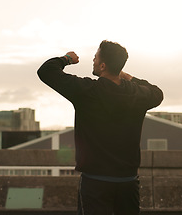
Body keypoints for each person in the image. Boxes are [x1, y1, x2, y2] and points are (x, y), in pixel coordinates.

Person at [37, 40, 163, 215]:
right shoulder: (136, 93)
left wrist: (67, 59)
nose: (93, 60)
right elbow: (157, 93)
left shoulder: (87, 91)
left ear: (103, 65)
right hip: (128, 182)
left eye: (95, 57)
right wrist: (126, 76)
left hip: (95, 182)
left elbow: (46, 71)